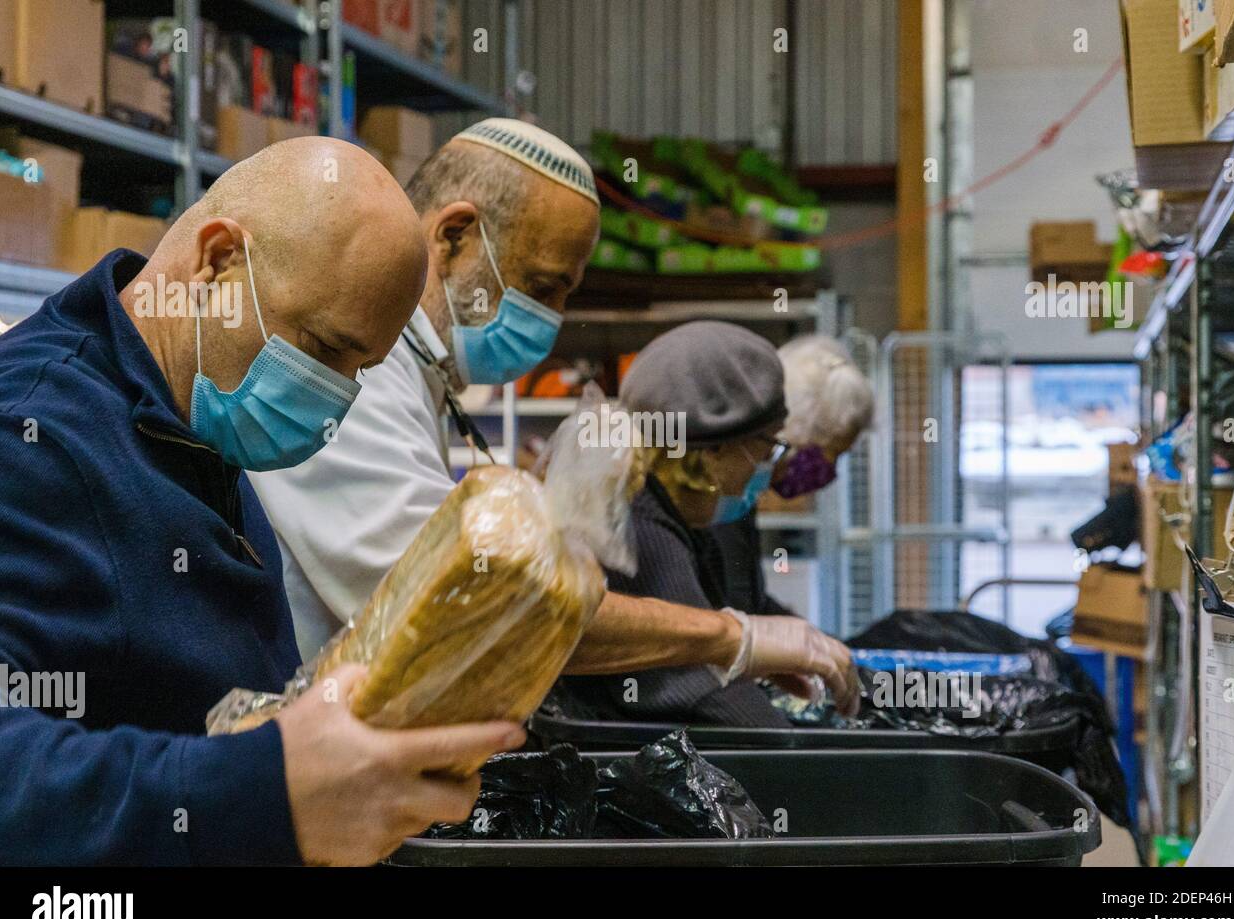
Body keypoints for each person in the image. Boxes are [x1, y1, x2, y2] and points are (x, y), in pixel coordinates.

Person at [0, 137, 524, 866]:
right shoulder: (28, 435)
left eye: (361, 368)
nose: (336, 403)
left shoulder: (197, 421)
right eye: (325, 347)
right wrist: (265, 788)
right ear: (215, 262)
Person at [250, 119, 856, 711]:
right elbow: (475, 604)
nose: (555, 319)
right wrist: (733, 638)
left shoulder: (421, 375)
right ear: (455, 237)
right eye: (542, 288)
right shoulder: (358, 375)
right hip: (299, 754)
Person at [560, 321, 858, 727]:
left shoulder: (672, 514)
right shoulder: (644, 532)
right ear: (709, 457)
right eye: (768, 447)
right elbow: (707, 693)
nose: (770, 467)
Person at [709, 333, 874, 617]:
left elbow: (748, 601)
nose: (829, 472)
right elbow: (728, 613)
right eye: (826, 453)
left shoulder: (743, 499)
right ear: (793, 431)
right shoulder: (722, 498)